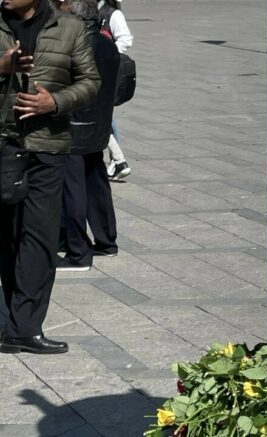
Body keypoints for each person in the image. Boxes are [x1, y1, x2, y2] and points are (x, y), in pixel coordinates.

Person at [0, 0, 100, 354]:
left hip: (47, 147)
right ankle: (14, 317)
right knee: (8, 236)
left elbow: (91, 81)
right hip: (4, 145)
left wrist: (54, 103)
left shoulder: (69, 27)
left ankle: (24, 328)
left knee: (40, 237)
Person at [55, 0, 120, 272]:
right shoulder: (107, 43)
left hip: (73, 127)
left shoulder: (74, 44)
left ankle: (78, 252)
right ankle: (106, 241)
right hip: (98, 126)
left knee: (73, 189)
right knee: (97, 182)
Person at [98, 0, 131, 181]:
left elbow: (126, 39)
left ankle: (118, 160)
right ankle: (117, 160)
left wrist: (106, 54)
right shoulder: (82, 9)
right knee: (105, 116)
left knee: (103, 116)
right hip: (88, 70)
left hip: (105, 72)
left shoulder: (111, 13)